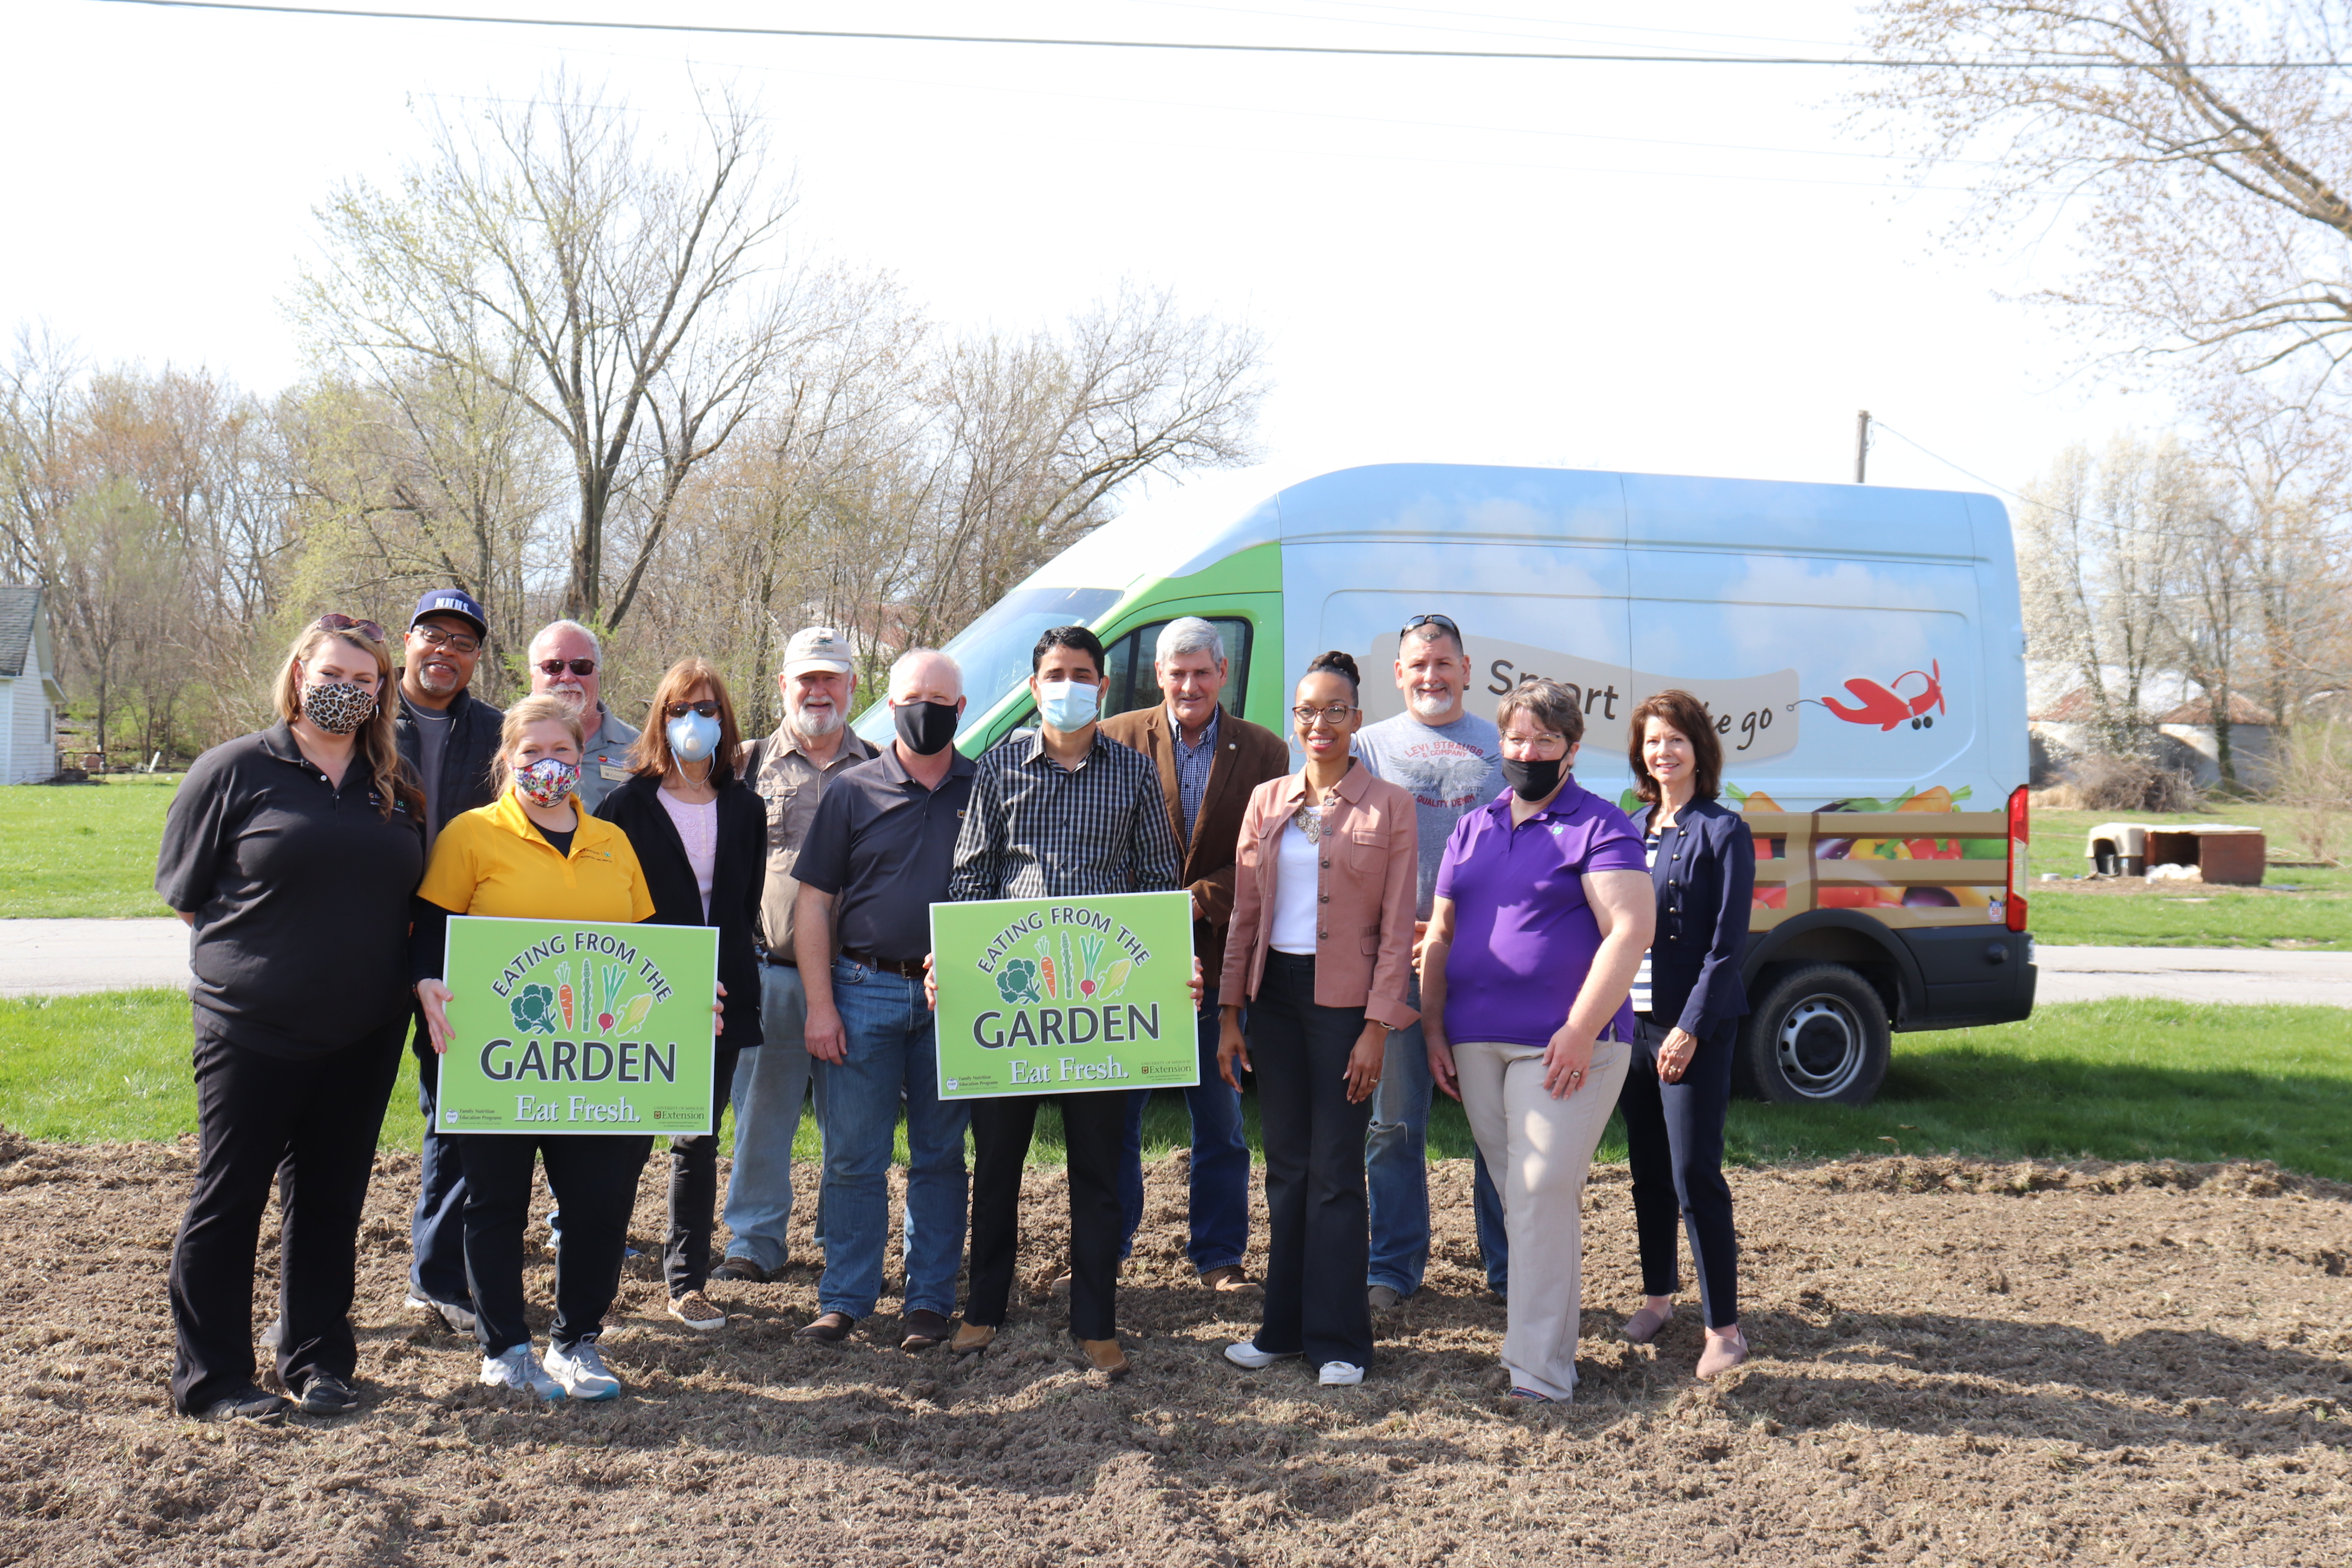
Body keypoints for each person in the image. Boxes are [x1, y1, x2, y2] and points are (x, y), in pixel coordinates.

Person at [156, 615, 426, 1422]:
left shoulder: (397, 784)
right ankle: (212, 1380)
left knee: (331, 1200)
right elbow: (186, 898)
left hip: (365, 1031)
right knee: (228, 1197)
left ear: (383, 691)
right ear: (299, 675)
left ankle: (315, 1361)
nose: (347, 692)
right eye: (332, 675)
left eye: (364, 680)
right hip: (252, 1030)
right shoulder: (234, 770)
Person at [941, 625, 1183, 1378]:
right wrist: (955, 964)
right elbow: (972, 879)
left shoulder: (1137, 775)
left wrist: (1170, 968)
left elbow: (1159, 884)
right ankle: (984, 1307)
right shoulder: (1000, 768)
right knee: (999, 1163)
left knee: (1098, 1169)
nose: (1068, 684)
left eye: (1082, 673)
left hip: (1096, 1007)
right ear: (1035, 683)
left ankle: (1096, 1319)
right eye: (1054, 672)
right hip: (1013, 1006)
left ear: (1104, 687)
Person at [411, 695, 661, 1402]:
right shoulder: (471, 835)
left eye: (561, 752)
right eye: (531, 753)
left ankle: (576, 1343)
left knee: (597, 1204)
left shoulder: (611, 842)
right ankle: (505, 1348)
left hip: (593, 1064)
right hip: (497, 1059)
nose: (547, 765)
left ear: (581, 759)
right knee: (494, 1202)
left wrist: (687, 1003)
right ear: (508, 759)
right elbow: (432, 932)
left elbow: (646, 949)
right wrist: (426, 982)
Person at [1422, 677, 1654, 1404]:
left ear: (1573, 749)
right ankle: (1538, 1352)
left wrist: (1581, 1028)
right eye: (1517, 740)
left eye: (1545, 741)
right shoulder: (1475, 824)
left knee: (1541, 1188)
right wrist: (1433, 1027)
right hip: (1473, 1041)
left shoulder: (1602, 825)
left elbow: (1630, 929)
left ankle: (1540, 1372)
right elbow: (1442, 932)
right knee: (1520, 1197)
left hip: (1565, 1046)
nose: (1528, 752)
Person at [1216, 652, 1418, 1387]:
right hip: (1273, 1002)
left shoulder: (1390, 806)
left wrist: (1377, 1026)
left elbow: (1399, 930)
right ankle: (1282, 1328)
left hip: (1345, 1009)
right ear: (1293, 719)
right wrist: (1230, 1012)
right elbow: (1245, 915)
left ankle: (1341, 1342)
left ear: (1357, 719)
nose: (1320, 722)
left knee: (1336, 1171)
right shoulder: (1268, 800)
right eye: (1307, 710)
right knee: (1287, 1169)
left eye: (1336, 710)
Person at [790, 649, 978, 1351]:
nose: (923, 708)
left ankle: (928, 1300)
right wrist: (819, 1003)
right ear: (889, 704)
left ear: (960, 709)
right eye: (910, 696)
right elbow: (815, 902)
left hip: (957, 999)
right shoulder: (852, 790)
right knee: (851, 1156)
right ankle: (846, 1297)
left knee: (940, 1155)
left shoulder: (987, 789)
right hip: (861, 988)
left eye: (938, 698)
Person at [1100, 617, 1289, 1296]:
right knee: (1115, 1121)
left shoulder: (1265, 752)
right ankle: (1109, 1247)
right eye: (1176, 674)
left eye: (1201, 672)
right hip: (1125, 968)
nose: (1189, 685)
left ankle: (1219, 1256)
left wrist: (1198, 901)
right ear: (1158, 676)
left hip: (1217, 963)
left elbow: (1270, 860)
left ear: (1223, 674)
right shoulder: (1115, 737)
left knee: (1221, 1122)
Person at [594, 659, 767, 1333]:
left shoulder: (746, 807)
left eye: (706, 708)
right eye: (678, 709)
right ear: (659, 719)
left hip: (721, 995)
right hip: (642, 997)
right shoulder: (627, 804)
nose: (692, 721)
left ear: (723, 719)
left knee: (697, 1139)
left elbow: (743, 901)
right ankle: (598, 1284)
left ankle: (687, 1283)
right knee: (624, 1144)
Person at [1352, 613, 1508, 1309]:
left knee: (1497, 1123)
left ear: (1467, 670)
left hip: (1486, 966)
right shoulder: (1366, 745)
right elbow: (1345, 846)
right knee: (1393, 1124)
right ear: (1398, 674)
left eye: (1443, 663)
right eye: (1417, 664)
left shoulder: (1505, 747)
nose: (1431, 675)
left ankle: (1508, 1269)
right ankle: (1393, 1265)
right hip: (1395, 968)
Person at [717, 626, 880, 1283]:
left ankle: (844, 1240)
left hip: (858, 976)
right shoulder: (745, 764)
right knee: (762, 1112)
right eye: (805, 678)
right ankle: (753, 1241)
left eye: (830, 678)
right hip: (769, 973)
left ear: (851, 686)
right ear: (784, 685)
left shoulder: (881, 765)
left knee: (855, 1122)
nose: (818, 690)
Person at [1616, 690, 1756, 1380]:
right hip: (1632, 1026)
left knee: (1693, 1172)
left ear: (1699, 748)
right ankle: (1658, 1294)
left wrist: (1690, 1028)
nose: (1662, 751)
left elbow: (1727, 947)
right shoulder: (1629, 827)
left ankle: (1724, 1329)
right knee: (1646, 1170)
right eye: (1651, 741)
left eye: (1674, 739)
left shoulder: (1724, 831)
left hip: (1692, 1029)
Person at [392, 586, 503, 1337]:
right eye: (434, 635)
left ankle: (435, 1277)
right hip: (367, 937)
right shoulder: (365, 717)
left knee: (454, 1112)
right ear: (408, 641)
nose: (446, 652)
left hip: (456, 942)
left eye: (462, 643)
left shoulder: (494, 731)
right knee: (337, 1117)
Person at [527, 619, 638, 812]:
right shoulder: (494, 734)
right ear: (533, 676)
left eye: (581, 666)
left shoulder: (639, 750)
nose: (568, 677)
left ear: (598, 674)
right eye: (554, 666)